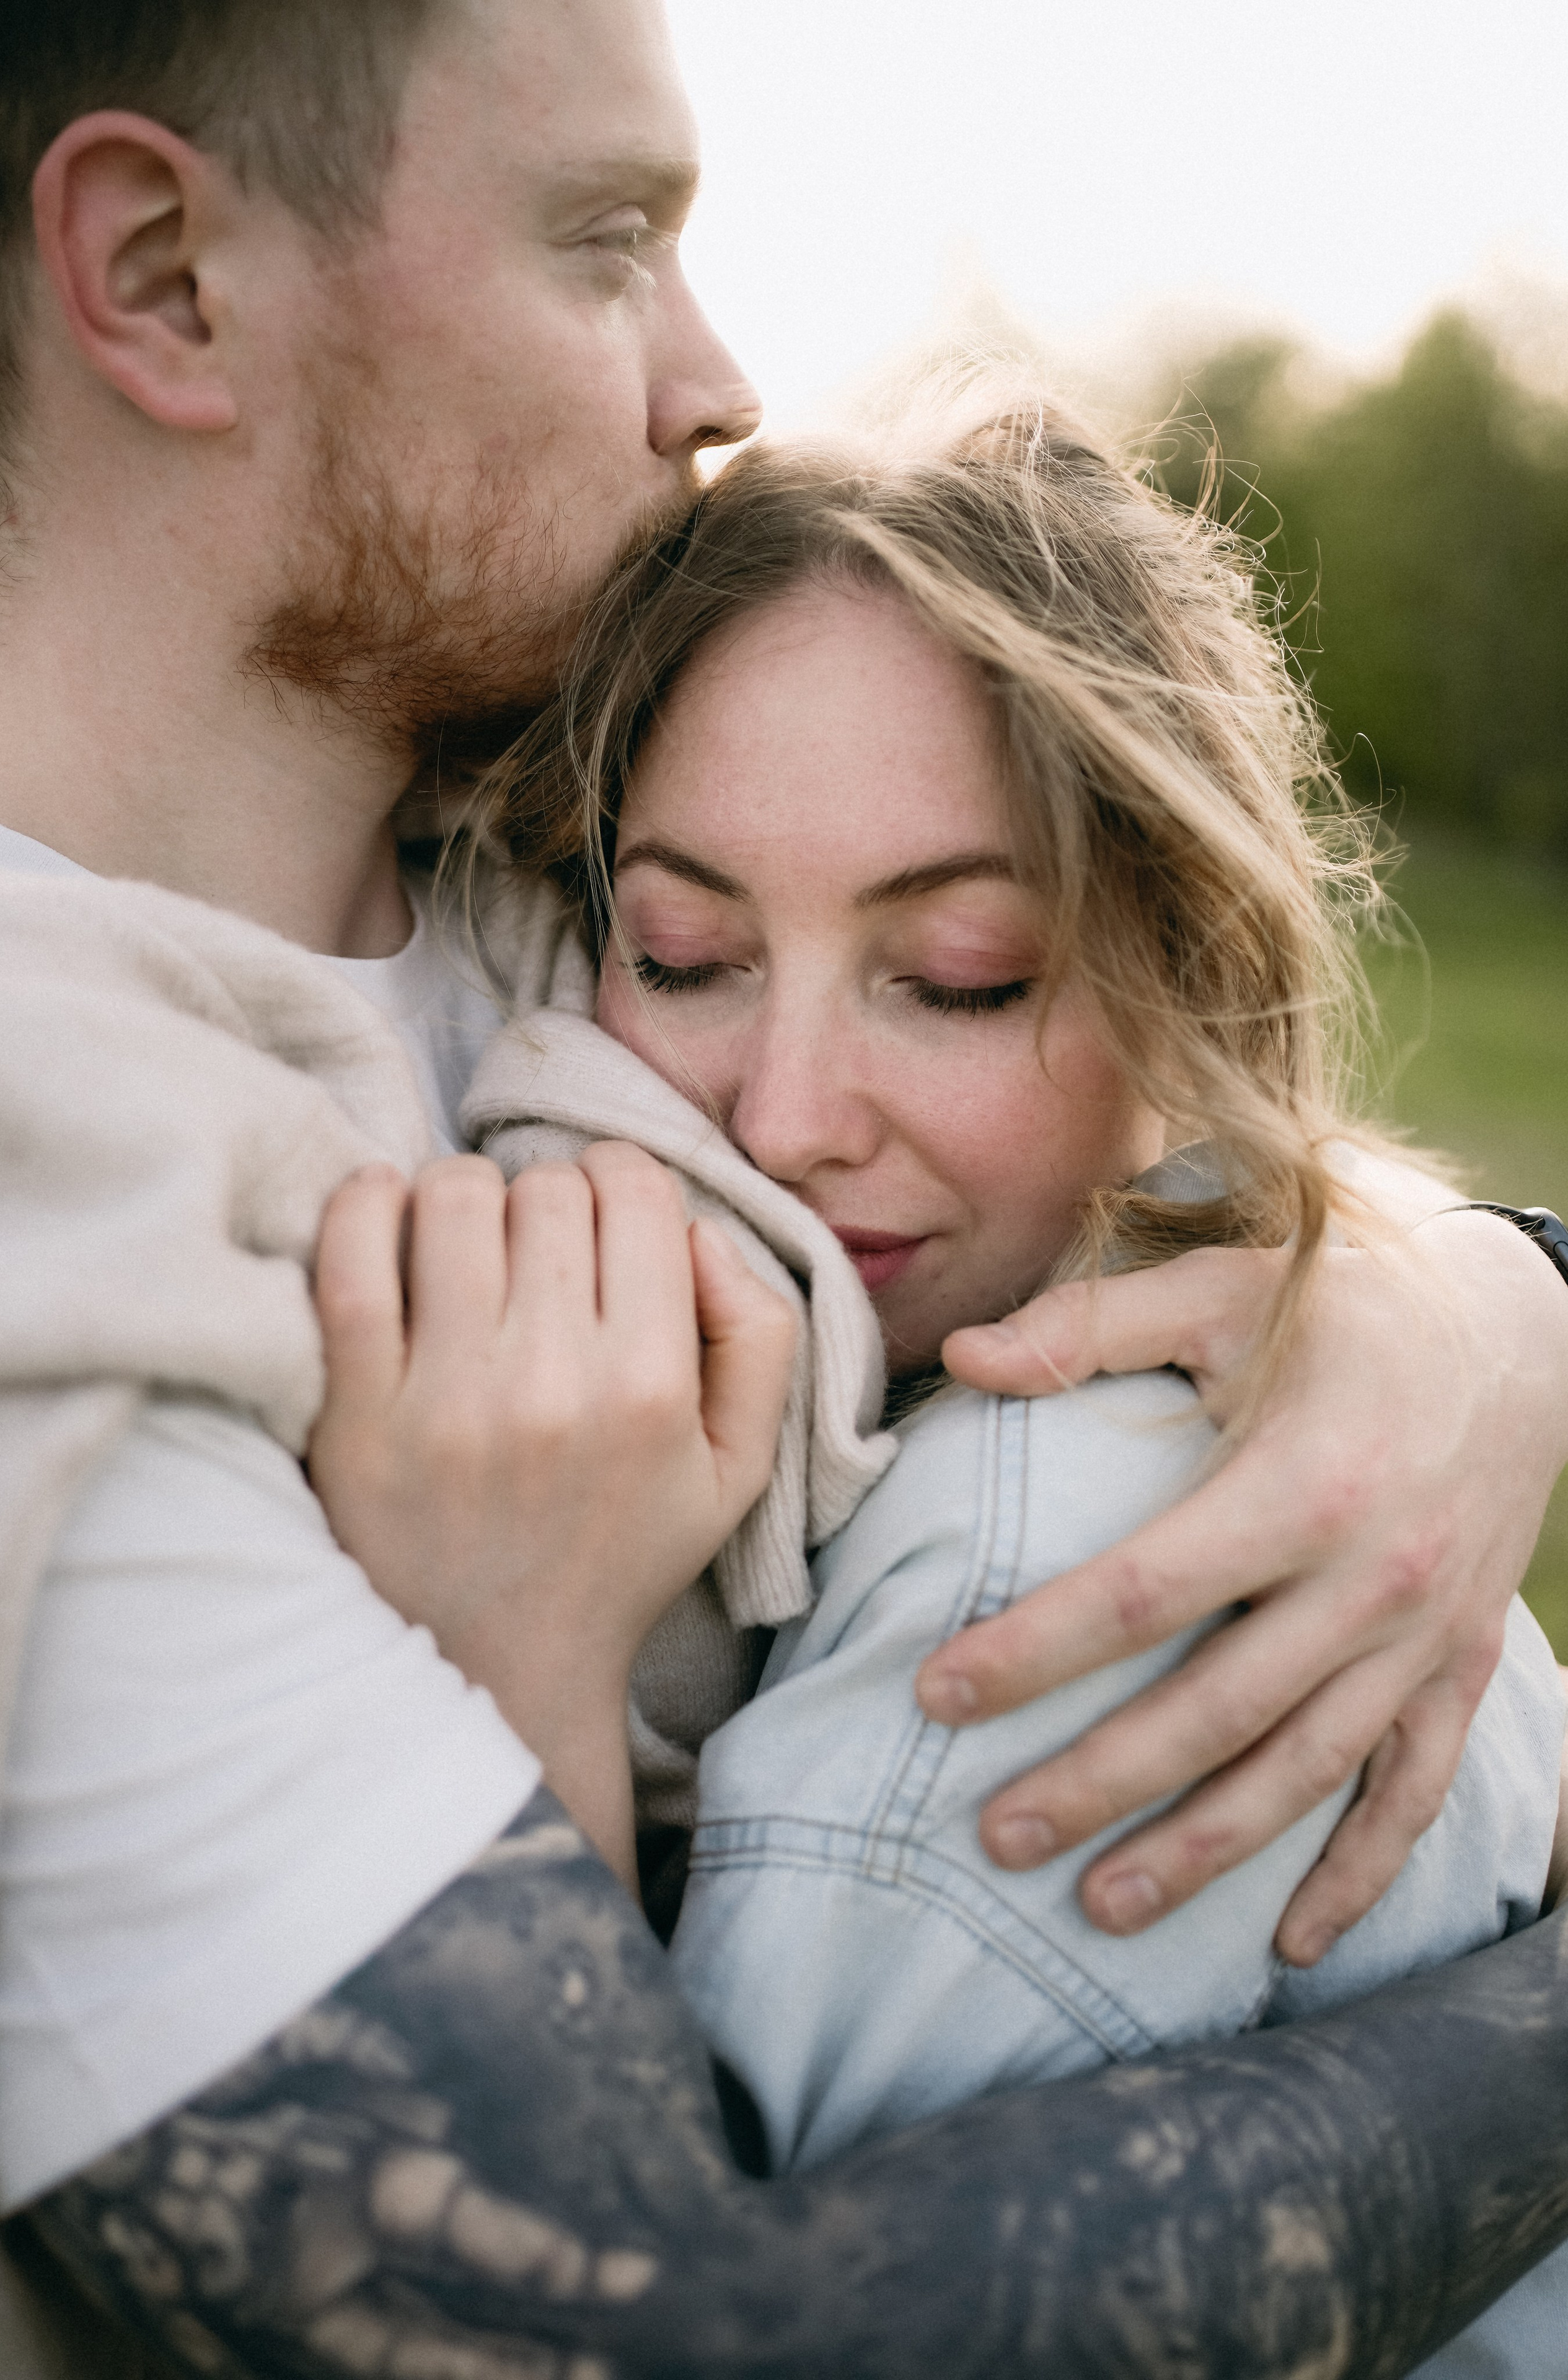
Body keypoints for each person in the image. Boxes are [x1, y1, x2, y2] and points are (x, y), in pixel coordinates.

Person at [0, 2, 1567, 2374]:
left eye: (951, 972)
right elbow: (636, 2335)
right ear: (166, 272)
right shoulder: (55, 1189)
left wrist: (1469, 1292)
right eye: (608, 240)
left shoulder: (512, 828)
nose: (719, 374)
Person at [425, 391, 1567, 2369]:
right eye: (681, 950)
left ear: (1182, 972)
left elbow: (654, 2334)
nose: (781, 1121)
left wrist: (518, 1672)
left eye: (955, 976)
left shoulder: (1055, 1564)